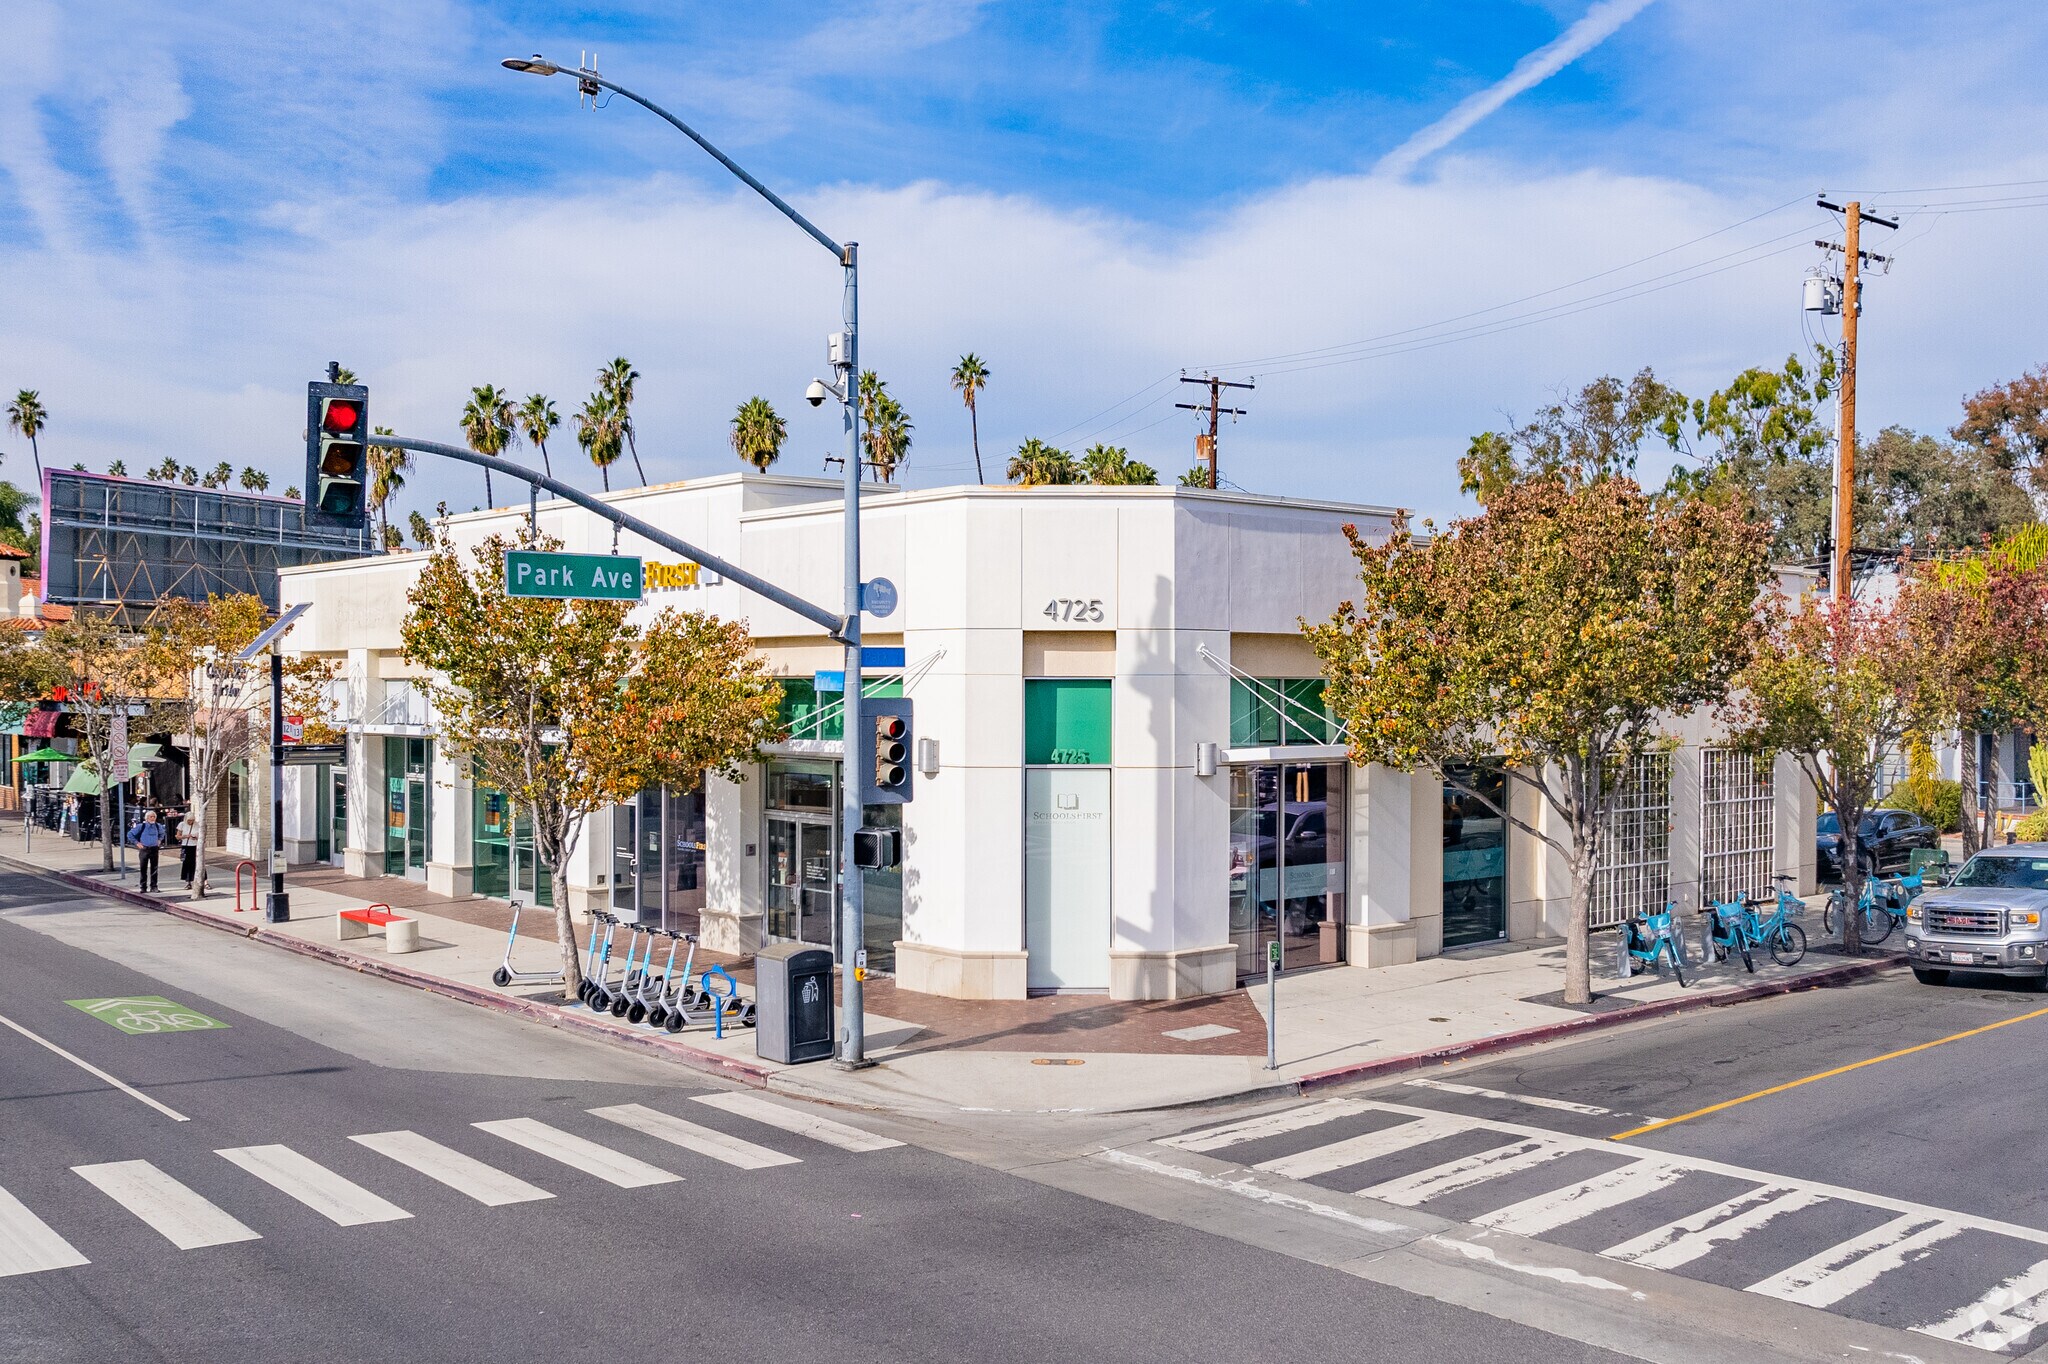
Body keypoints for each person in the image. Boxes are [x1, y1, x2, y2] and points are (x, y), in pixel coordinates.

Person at [132, 809, 164, 893]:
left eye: (154, 817)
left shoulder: (157, 826)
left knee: (154, 869)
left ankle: (154, 886)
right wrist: (137, 843)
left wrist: (160, 840)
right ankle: (143, 887)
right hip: (144, 849)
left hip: (154, 848)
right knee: (143, 868)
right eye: (151, 817)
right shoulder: (141, 826)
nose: (152, 818)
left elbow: (162, 833)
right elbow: (130, 834)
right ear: (147, 818)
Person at [176, 806, 199, 889]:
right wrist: (186, 836)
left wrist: (195, 837)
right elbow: (178, 836)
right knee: (187, 863)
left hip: (195, 845)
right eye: (189, 821)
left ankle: (202, 881)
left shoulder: (197, 825)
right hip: (186, 845)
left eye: (192, 820)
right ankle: (188, 881)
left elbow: (201, 835)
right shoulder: (182, 825)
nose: (191, 822)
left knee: (196, 863)